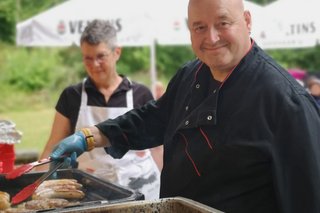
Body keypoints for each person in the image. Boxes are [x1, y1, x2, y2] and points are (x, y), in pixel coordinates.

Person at [49, 0, 320, 212]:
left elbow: (309, 198)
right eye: (199, 27)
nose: (211, 38)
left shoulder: (287, 102)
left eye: (223, 23)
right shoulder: (190, 74)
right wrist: (90, 136)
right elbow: (153, 118)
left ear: (247, 21)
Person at [39, 19, 161, 200]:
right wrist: (37, 182)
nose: (94, 64)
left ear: (117, 52)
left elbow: (157, 148)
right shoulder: (71, 95)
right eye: (87, 58)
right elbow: (53, 146)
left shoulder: (141, 94)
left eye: (100, 56)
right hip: (91, 190)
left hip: (142, 188)